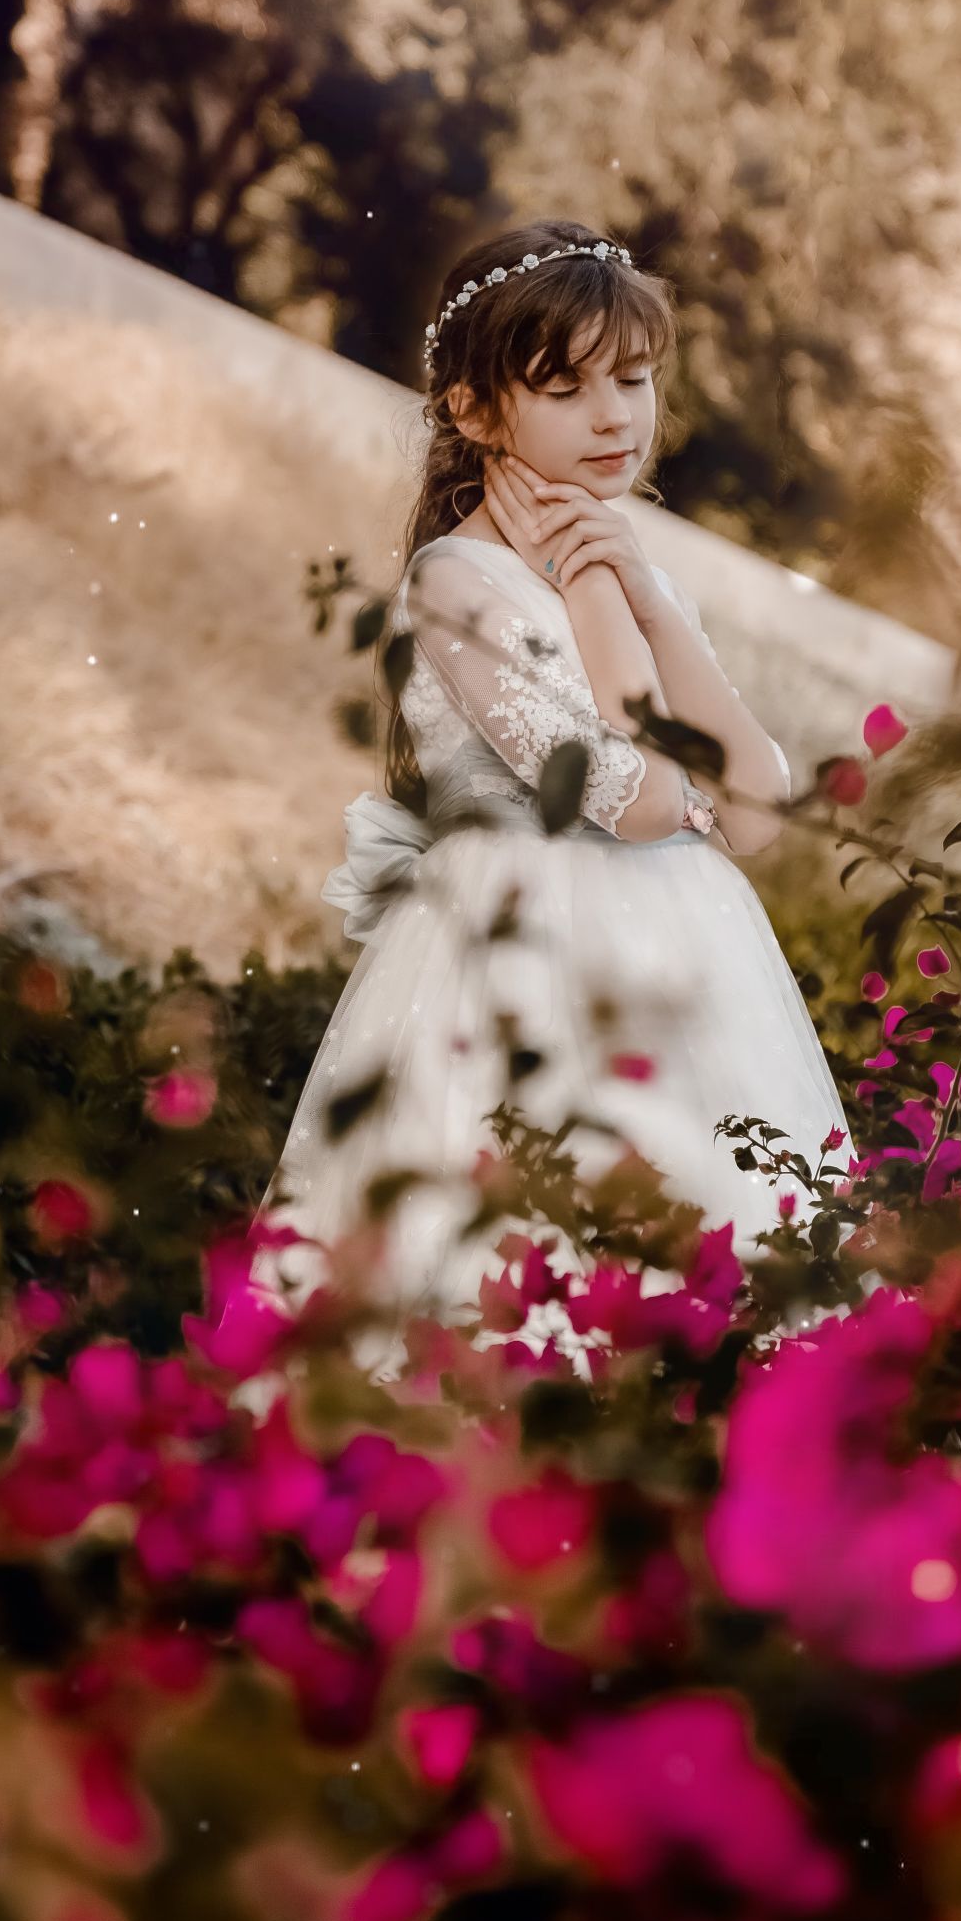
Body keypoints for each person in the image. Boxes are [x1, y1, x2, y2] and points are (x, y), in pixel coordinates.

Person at [256, 221, 851, 1328]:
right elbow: (628, 796)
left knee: (703, 1260)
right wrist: (598, 594)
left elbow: (761, 808)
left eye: (633, 378)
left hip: (683, 965)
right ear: (476, 411)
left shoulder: (626, 563)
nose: (617, 415)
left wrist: (646, 592)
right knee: (528, 1266)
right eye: (567, 387)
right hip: (521, 966)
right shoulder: (456, 583)